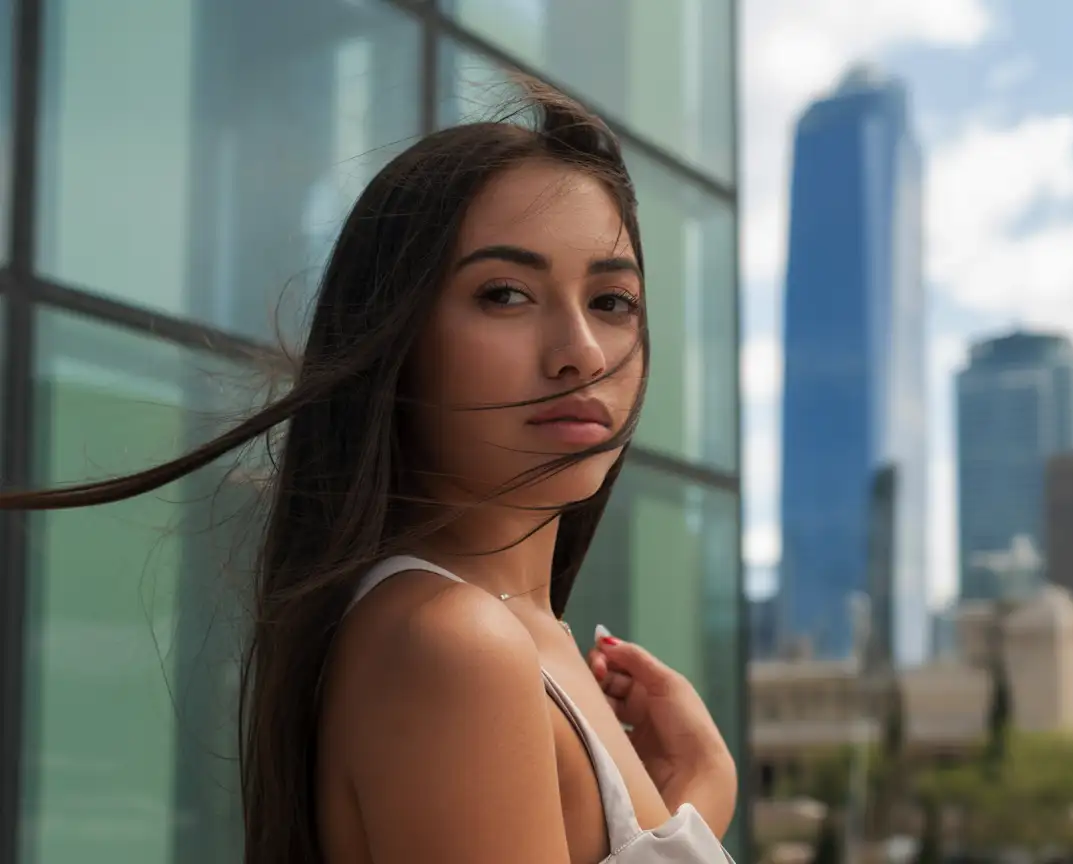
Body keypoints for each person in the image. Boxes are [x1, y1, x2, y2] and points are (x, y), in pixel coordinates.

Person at [0, 81, 738, 863]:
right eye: (505, 294)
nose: (581, 352)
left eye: (613, 301)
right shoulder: (454, 643)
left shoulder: (516, 633)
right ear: (396, 335)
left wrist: (686, 800)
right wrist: (700, 800)